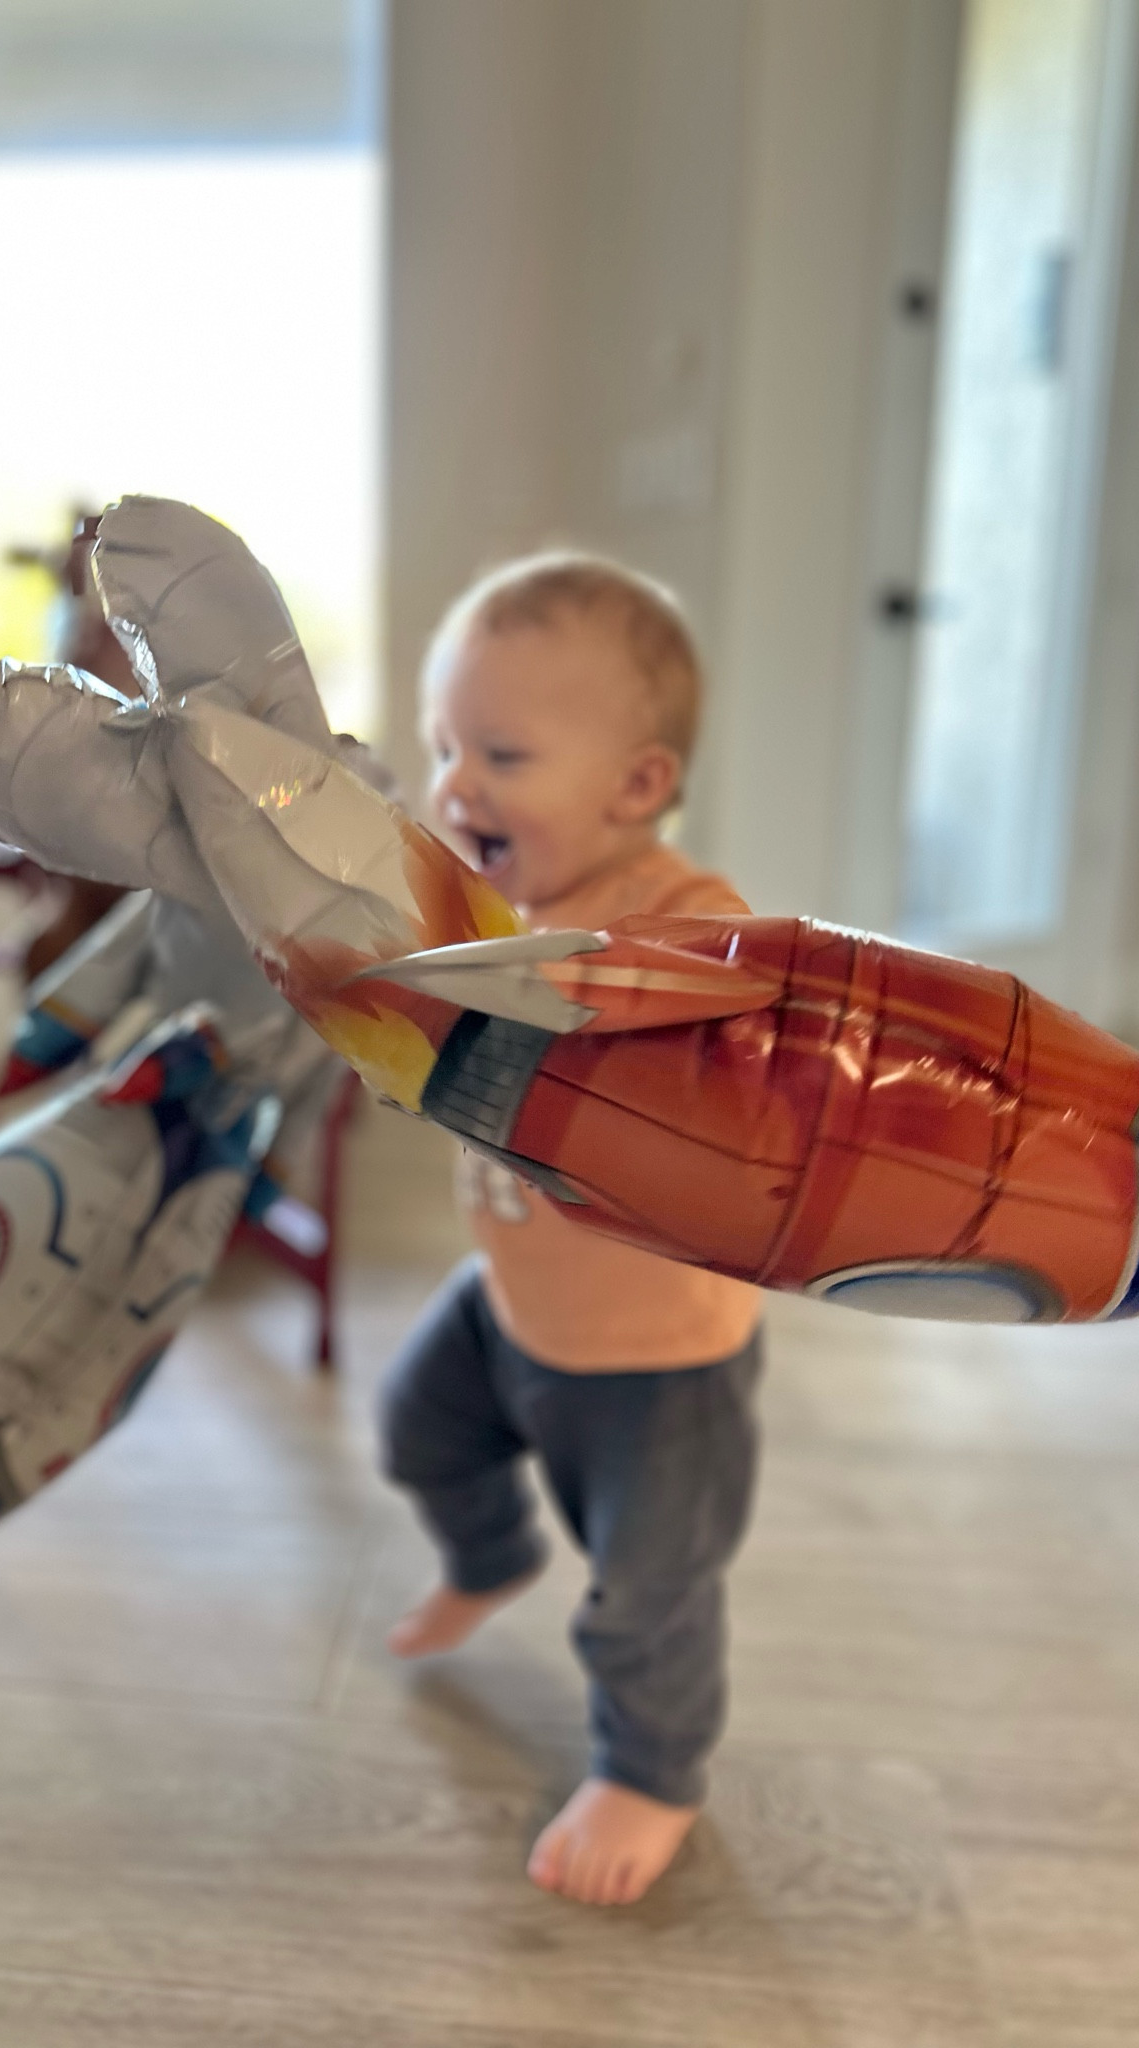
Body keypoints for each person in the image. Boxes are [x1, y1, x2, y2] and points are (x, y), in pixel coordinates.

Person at [380, 553, 763, 1907]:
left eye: (501, 752)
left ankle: (652, 1773)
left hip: (661, 1355)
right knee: (413, 1430)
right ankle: (489, 1554)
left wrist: (575, 984)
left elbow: (728, 1013)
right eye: (443, 746)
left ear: (637, 786)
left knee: (649, 1590)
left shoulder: (687, 922)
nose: (456, 785)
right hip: (513, 1304)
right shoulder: (497, 908)